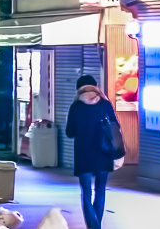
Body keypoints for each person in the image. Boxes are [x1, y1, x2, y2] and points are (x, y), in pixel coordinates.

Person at [64, 73, 123, 229]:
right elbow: (115, 127)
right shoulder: (105, 104)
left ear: (79, 89)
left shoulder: (76, 106)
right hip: (104, 153)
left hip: (83, 154)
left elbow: (69, 132)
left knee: (86, 192)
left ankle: (92, 226)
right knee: (100, 190)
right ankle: (97, 225)